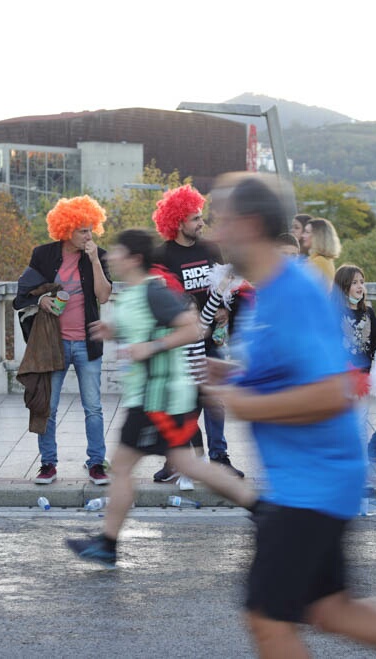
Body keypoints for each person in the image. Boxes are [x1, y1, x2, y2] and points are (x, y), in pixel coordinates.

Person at [205, 173, 376, 659]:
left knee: (267, 619)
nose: (213, 232)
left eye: (219, 221)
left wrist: (246, 404)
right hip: (310, 480)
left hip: (310, 484)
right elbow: (282, 373)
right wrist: (220, 373)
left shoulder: (294, 292)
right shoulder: (267, 293)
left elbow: (332, 392)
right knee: (331, 608)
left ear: (247, 224)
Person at [65, 229, 256, 568]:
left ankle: (108, 544)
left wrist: (149, 348)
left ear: (135, 258)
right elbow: (151, 329)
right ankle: (259, 507)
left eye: (118, 252)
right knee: (182, 465)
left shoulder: (155, 290)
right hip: (153, 396)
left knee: (125, 467)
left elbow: (191, 327)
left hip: (159, 397)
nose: (111, 257)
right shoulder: (138, 292)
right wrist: (117, 332)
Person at [13, 196, 112, 486]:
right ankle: (48, 463)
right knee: (49, 406)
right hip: (52, 344)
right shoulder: (43, 255)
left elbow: (104, 295)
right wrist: (43, 299)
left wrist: (94, 260)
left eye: (91, 229)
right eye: (82, 230)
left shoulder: (98, 256)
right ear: (66, 229)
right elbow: (22, 296)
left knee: (93, 407)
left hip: (87, 343)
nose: (88, 235)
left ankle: (96, 462)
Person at [151, 184, 244, 482]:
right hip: (181, 343)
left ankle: (219, 457)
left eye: (201, 217)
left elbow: (227, 288)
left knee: (214, 402)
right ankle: (176, 460)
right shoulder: (162, 255)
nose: (201, 223)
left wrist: (227, 310)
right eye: (194, 218)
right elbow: (155, 301)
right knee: (180, 403)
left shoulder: (210, 249)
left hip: (211, 338)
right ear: (178, 222)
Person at [333, 264, 376, 442]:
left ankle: (360, 459)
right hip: (341, 377)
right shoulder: (334, 313)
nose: (360, 286)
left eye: (362, 282)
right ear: (343, 287)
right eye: (354, 283)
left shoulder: (368, 313)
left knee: (361, 419)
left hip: (363, 377)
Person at [301, 217, 340, 289]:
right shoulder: (326, 260)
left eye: (307, 232)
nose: (303, 235)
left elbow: (303, 289)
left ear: (317, 236)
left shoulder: (317, 262)